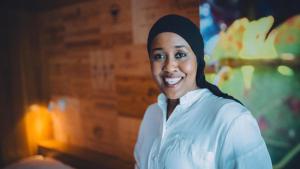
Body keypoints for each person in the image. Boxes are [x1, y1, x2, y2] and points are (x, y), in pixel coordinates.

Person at [134, 14, 272, 169]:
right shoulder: (152, 114)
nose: (169, 66)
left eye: (180, 54)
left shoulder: (231, 118)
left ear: (198, 60)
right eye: (158, 56)